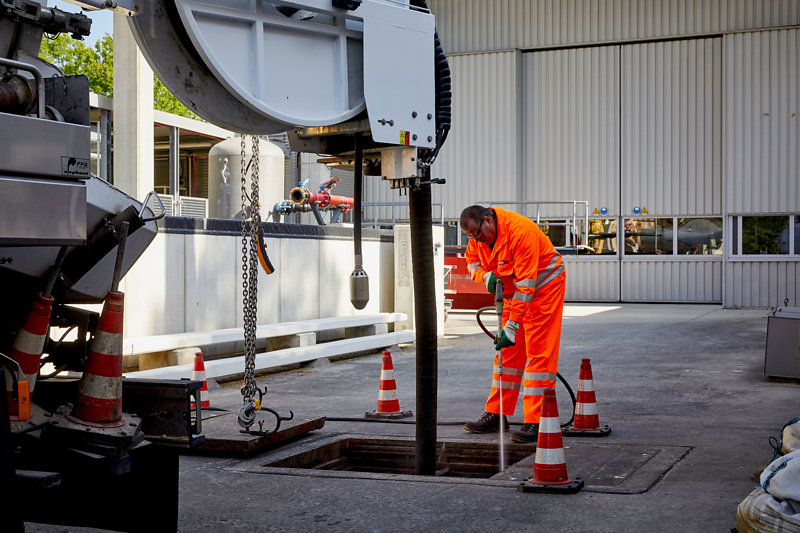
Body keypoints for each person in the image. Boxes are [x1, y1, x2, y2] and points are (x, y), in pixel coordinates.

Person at [460, 205, 567, 443]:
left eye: (478, 235)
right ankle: (498, 414)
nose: (477, 241)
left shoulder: (521, 232)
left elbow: (527, 286)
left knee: (539, 353)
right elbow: (472, 263)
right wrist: (484, 276)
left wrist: (512, 326)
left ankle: (537, 421)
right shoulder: (477, 236)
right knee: (507, 354)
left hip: (544, 288)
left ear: (488, 220)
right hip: (513, 293)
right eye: (472, 238)